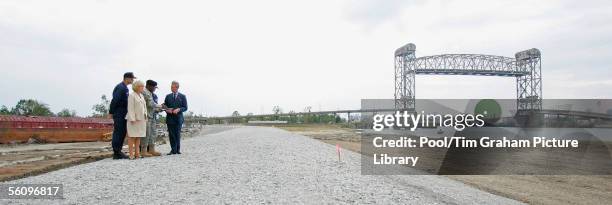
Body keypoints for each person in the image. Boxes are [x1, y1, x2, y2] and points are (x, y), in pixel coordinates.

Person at [109, 72, 135, 160]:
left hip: (123, 113)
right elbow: (115, 100)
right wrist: (111, 112)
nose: (132, 80)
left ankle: (118, 151)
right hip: (119, 112)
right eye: (132, 79)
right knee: (118, 132)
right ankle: (116, 152)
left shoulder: (125, 88)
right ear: (127, 78)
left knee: (122, 132)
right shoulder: (121, 87)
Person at [163, 81, 188, 155]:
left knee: (177, 134)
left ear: (177, 87)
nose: (171, 88)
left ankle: (177, 149)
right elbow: (165, 107)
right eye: (171, 87)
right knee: (171, 134)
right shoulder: (168, 96)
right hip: (170, 118)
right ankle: (173, 150)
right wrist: (167, 110)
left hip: (178, 118)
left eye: (173, 87)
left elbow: (185, 107)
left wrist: (179, 109)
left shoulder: (182, 96)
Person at [126, 80, 148, 159]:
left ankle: (137, 153)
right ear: (137, 87)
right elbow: (130, 108)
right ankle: (131, 154)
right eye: (141, 86)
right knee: (132, 137)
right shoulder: (132, 95)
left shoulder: (141, 96)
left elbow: (144, 107)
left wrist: (146, 116)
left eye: (143, 86)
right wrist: (132, 118)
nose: (143, 88)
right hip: (134, 119)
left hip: (142, 119)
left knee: (139, 136)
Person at [140, 80, 162, 157]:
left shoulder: (150, 93)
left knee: (152, 133)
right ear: (149, 86)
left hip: (151, 116)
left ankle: (152, 149)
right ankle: (143, 151)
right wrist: (161, 106)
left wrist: (158, 109)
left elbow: (151, 106)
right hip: (146, 116)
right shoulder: (145, 92)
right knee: (146, 134)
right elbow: (150, 104)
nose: (155, 89)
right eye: (154, 87)